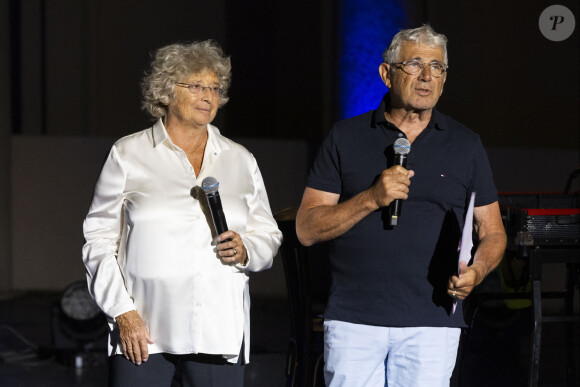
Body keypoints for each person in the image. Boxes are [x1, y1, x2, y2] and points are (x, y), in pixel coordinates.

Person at [296, 25, 506, 387]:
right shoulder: (345, 137)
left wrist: (478, 271)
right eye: (414, 64)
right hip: (354, 321)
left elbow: (493, 231)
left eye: (437, 67)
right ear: (386, 73)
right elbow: (306, 229)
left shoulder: (465, 145)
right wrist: (371, 198)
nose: (427, 76)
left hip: (433, 322)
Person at [82, 40, 282, 386]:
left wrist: (248, 248)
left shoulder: (240, 159)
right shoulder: (128, 153)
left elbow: (268, 234)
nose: (208, 96)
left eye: (215, 88)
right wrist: (122, 313)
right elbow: (98, 240)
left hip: (218, 331)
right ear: (165, 92)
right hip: (142, 332)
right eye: (196, 86)